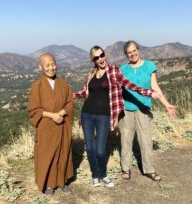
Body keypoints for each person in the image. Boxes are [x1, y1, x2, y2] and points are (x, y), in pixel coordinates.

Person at [73, 45, 159, 187]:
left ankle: (103, 174)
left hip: (104, 115)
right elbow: (83, 92)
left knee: (100, 150)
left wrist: (148, 92)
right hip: (87, 114)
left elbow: (129, 84)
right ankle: (95, 175)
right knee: (90, 148)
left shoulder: (113, 70)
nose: (100, 59)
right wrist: (70, 96)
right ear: (92, 60)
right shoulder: (91, 74)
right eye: (96, 57)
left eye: (102, 55)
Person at [119, 40, 178, 182]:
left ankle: (149, 170)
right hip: (126, 109)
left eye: (134, 51)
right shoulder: (123, 69)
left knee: (145, 140)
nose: (132, 54)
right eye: (129, 53)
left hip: (144, 108)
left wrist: (166, 104)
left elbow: (155, 86)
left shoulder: (149, 66)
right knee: (126, 139)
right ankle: (125, 168)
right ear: (126, 55)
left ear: (138, 49)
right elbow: (117, 90)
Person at [28, 53, 74, 195]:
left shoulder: (63, 84)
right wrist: (52, 115)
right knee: (47, 154)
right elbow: (33, 110)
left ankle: (62, 181)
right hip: (46, 127)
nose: (51, 68)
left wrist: (62, 113)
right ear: (40, 67)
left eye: (53, 64)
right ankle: (48, 183)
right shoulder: (37, 85)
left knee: (63, 153)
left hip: (62, 125)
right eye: (47, 65)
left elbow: (71, 103)